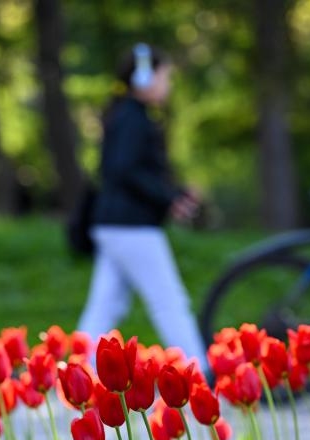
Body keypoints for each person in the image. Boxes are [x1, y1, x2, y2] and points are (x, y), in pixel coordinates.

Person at [76, 44, 208, 369]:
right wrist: (169, 198)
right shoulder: (133, 118)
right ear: (145, 78)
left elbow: (133, 170)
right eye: (165, 77)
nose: (168, 85)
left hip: (114, 224)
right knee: (169, 302)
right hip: (131, 227)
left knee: (106, 306)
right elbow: (126, 169)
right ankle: (199, 372)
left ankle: (78, 373)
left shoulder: (124, 115)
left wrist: (173, 193)